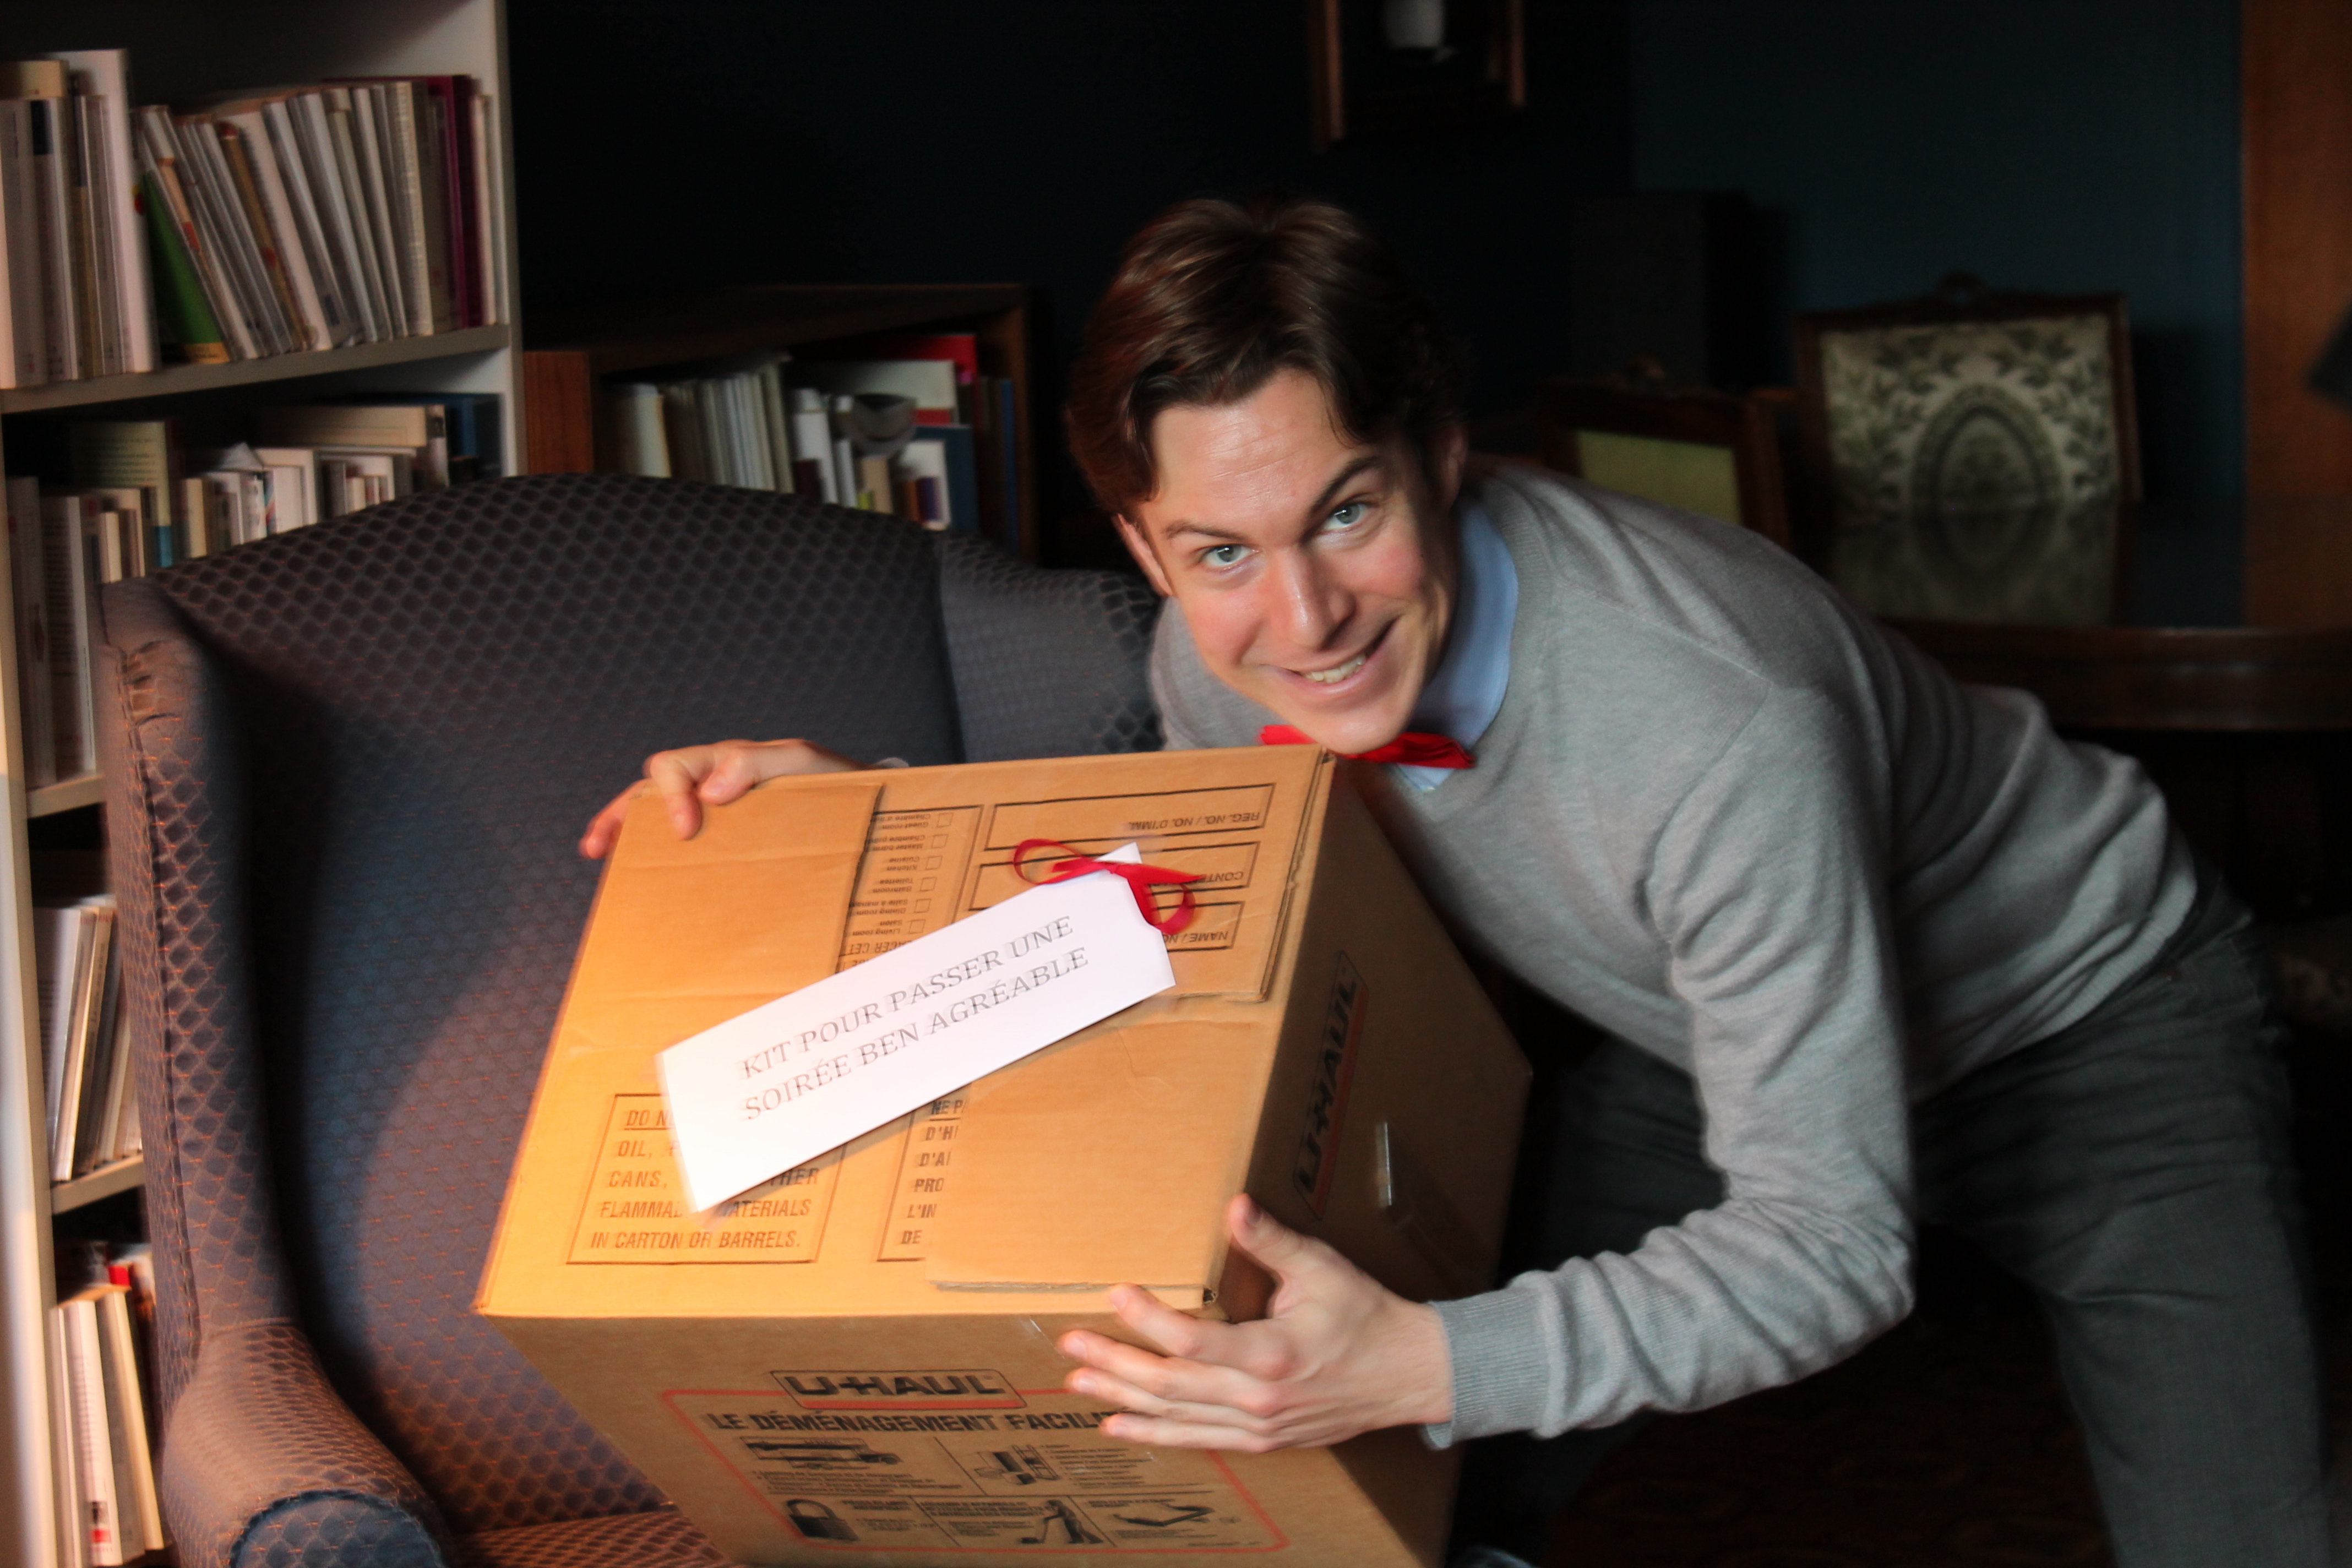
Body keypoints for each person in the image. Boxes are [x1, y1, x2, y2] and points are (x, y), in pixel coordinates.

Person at [581, 197, 2328, 1568]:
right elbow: (1178, 902)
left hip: (2092, 1021)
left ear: (1440, 450)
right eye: (1220, 552)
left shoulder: (1718, 721)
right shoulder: (1223, 662)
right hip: (1702, 1029)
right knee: (1401, 1479)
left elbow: (1831, 1251)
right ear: (1141, 545)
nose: (1305, 620)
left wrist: (1421, 1358)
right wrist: (866, 826)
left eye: (1347, 514)